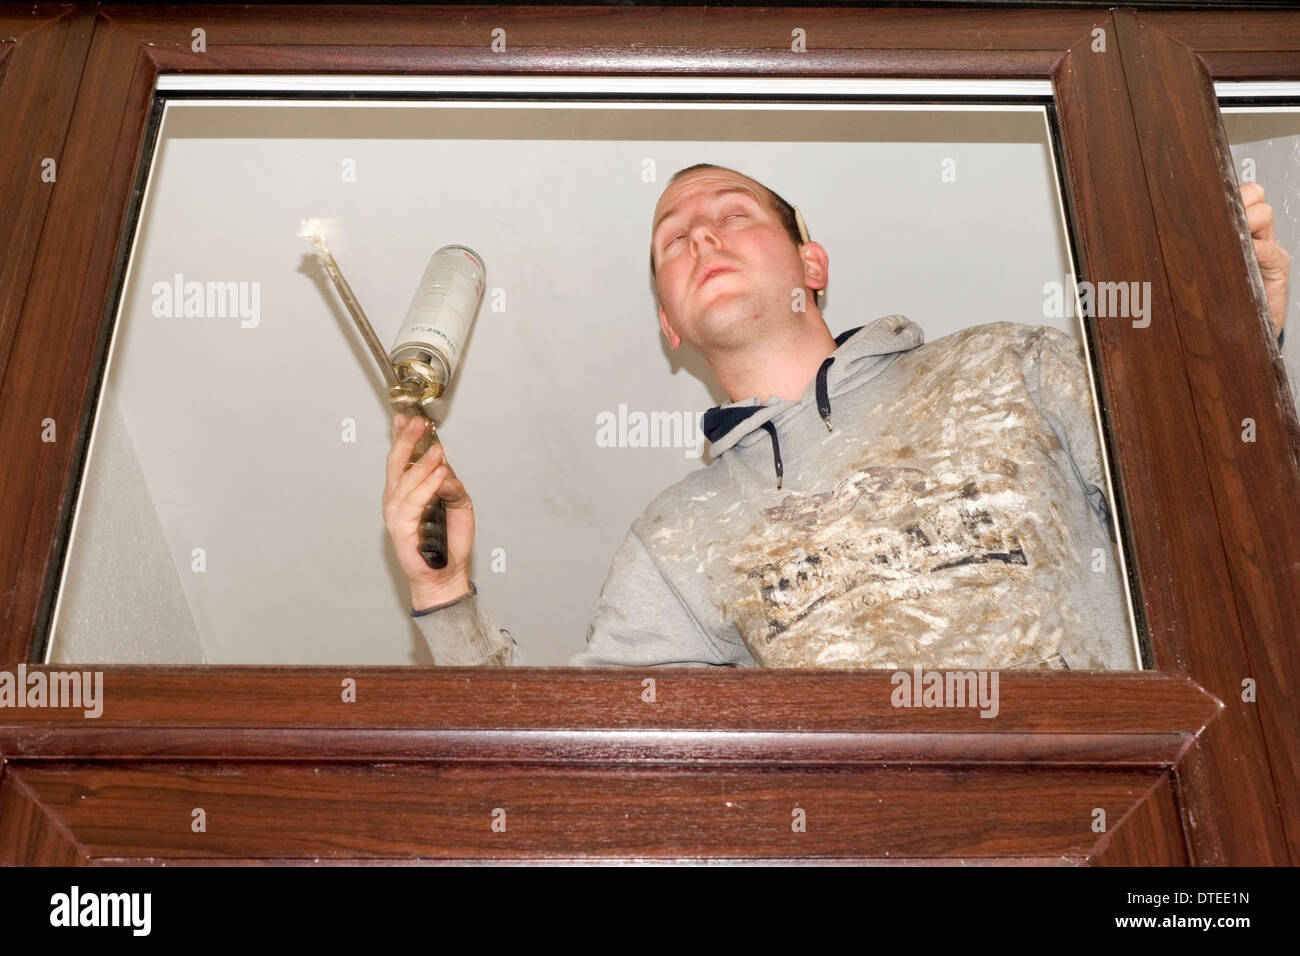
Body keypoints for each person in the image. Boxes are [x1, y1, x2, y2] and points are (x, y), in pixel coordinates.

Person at [382, 164, 1290, 668]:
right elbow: (589, 780)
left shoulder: (1006, 363)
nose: (700, 235)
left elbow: (1207, 507)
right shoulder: (674, 539)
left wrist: (1236, 357)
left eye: (732, 214)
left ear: (812, 265)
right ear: (668, 323)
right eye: (672, 239)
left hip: (1125, 833)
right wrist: (442, 594)